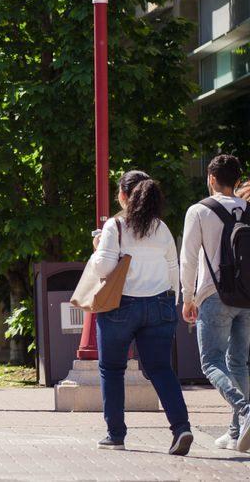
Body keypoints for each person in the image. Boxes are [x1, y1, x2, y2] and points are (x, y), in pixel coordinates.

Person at [89, 170, 192, 455]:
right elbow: (174, 269)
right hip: (160, 303)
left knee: (111, 369)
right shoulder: (161, 228)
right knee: (160, 369)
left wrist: (97, 247)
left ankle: (116, 434)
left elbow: (103, 268)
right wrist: (173, 302)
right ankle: (181, 427)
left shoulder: (116, 226)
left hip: (121, 306)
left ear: (123, 196)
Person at [181, 154, 250, 452]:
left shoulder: (199, 210)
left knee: (211, 362)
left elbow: (189, 257)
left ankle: (246, 410)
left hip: (213, 294)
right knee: (238, 362)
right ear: (237, 181)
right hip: (246, 296)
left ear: (210, 178)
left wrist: (187, 297)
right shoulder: (248, 208)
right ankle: (235, 434)